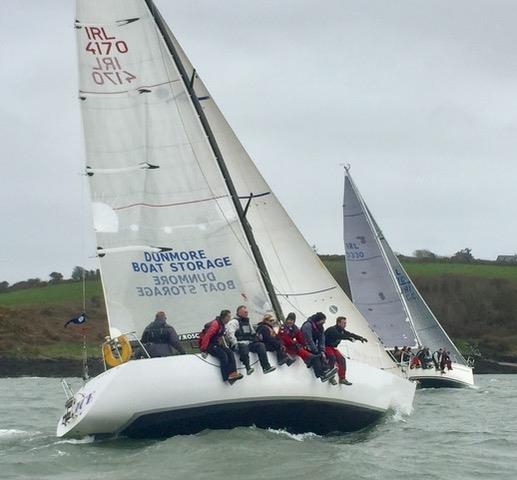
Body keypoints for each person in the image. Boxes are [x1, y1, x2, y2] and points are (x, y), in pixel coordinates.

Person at [225, 305, 276, 375]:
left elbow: (253, 333)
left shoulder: (247, 322)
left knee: (260, 345)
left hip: (249, 343)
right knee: (243, 347)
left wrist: (257, 339)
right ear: (239, 312)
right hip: (239, 343)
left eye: (247, 312)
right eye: (245, 312)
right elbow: (230, 333)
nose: (247, 313)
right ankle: (248, 368)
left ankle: (266, 367)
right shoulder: (234, 322)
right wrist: (235, 344)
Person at [199, 310, 243, 384]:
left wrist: (224, 346)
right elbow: (207, 336)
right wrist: (204, 349)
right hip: (209, 345)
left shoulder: (222, 324)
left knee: (229, 352)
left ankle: (233, 373)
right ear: (224, 317)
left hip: (215, 343)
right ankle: (226, 377)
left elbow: (219, 337)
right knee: (223, 356)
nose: (230, 318)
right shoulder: (215, 324)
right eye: (229, 316)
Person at [324, 316, 368, 386]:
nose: (345, 325)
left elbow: (349, 334)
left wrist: (360, 338)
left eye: (345, 323)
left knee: (342, 359)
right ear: (338, 323)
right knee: (332, 357)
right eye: (343, 323)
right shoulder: (332, 329)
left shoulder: (342, 330)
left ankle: (342, 378)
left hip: (333, 347)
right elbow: (338, 336)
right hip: (325, 346)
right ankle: (331, 377)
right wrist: (349, 338)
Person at [300, 312, 337, 382]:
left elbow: (322, 338)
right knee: (315, 357)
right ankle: (321, 374)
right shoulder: (307, 326)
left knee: (322, 355)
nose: (324, 322)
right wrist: (315, 350)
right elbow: (308, 339)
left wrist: (322, 349)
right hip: (305, 345)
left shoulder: (320, 327)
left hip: (313, 345)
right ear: (318, 320)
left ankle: (326, 370)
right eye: (323, 321)